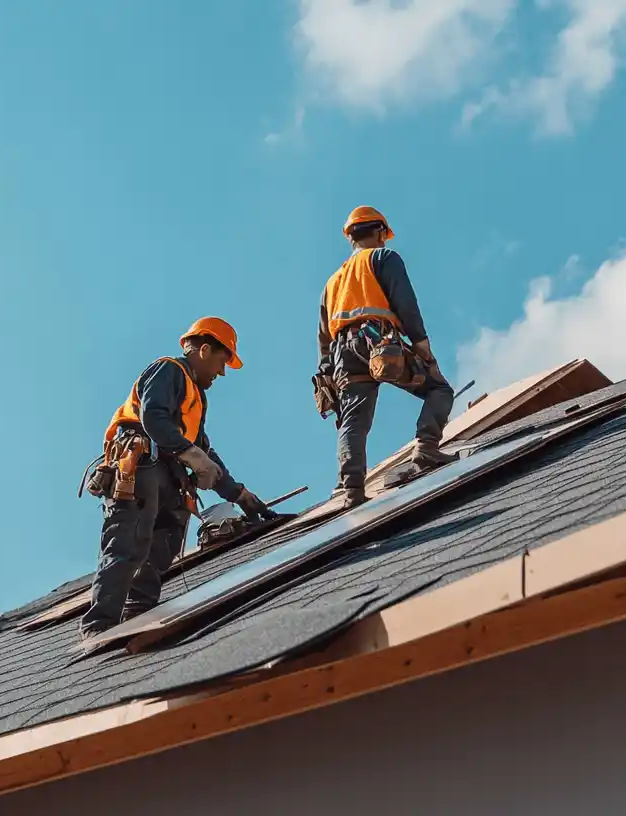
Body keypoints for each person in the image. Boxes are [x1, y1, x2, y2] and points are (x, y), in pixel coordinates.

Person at [80, 317, 273, 640]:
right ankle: (99, 625)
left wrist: (240, 495)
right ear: (205, 349)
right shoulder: (169, 370)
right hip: (140, 462)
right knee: (129, 542)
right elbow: (152, 418)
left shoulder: (196, 396)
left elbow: (204, 451)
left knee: (168, 531)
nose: (221, 372)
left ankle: (138, 610)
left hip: (165, 472)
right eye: (222, 362)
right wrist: (191, 455)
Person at [316, 205, 457, 509]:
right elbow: (405, 301)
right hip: (377, 341)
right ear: (380, 232)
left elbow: (324, 338)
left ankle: (351, 490)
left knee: (353, 419)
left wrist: (327, 375)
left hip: (343, 354)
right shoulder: (383, 258)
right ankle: (427, 446)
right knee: (439, 388)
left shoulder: (332, 282)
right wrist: (422, 345)